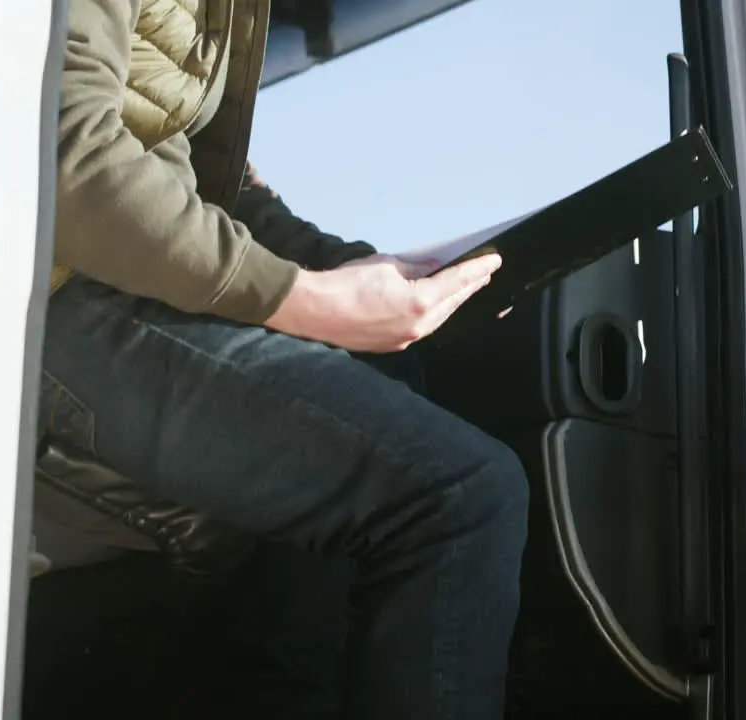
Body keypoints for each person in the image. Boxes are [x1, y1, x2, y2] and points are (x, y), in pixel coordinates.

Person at [42, 1, 530, 718]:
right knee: (462, 495)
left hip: (108, 275)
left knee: (393, 368)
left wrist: (363, 273)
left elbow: (220, 184)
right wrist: (308, 300)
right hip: (42, 290)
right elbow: (66, 161)